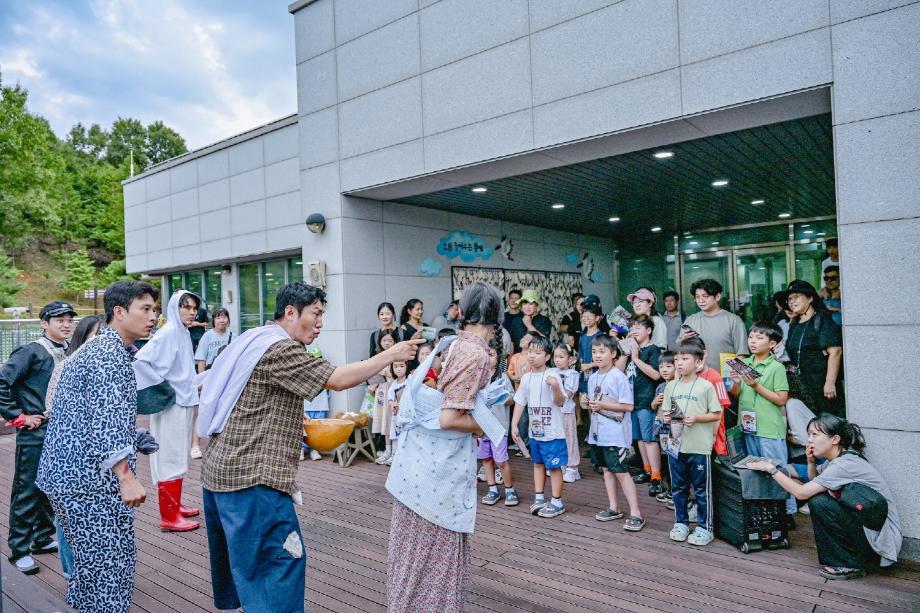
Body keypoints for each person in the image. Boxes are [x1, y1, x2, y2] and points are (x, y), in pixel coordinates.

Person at [198, 282, 420, 613]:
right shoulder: (280, 349)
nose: (320, 323)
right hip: (253, 479)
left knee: (249, 572)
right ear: (291, 312)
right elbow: (338, 379)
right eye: (315, 314)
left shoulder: (253, 339)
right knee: (279, 568)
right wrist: (390, 354)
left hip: (221, 473)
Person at [36, 281, 159, 613]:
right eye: (145, 309)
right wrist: (126, 476)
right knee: (110, 568)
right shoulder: (108, 353)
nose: (153, 316)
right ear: (119, 313)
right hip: (86, 481)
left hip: (71, 476)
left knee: (91, 569)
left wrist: (134, 441)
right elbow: (104, 419)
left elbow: (94, 415)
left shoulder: (104, 349)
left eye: (155, 309)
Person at [385, 281, 502, 612]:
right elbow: (450, 417)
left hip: (417, 468)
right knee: (435, 559)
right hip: (439, 473)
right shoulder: (475, 353)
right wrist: (486, 426)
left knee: (412, 559)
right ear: (496, 314)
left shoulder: (451, 344)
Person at [747, 415, 901, 580]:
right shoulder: (838, 458)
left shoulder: (844, 465)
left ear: (835, 439)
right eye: (809, 435)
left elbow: (802, 493)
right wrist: (811, 462)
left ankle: (849, 565)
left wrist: (771, 469)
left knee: (819, 502)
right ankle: (848, 558)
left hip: (882, 545)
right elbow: (815, 483)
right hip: (873, 532)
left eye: (814, 434)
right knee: (819, 500)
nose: (809, 440)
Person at [1, 300, 75, 575]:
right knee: (27, 491)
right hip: (35, 432)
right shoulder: (31, 351)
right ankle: (19, 550)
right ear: (44, 323)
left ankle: (42, 538)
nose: (66, 324)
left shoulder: (69, 350)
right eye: (59, 320)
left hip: (59, 431)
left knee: (50, 487)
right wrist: (18, 416)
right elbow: (1, 381)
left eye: (69, 320)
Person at [133, 290, 202, 532]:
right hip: (171, 405)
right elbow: (140, 360)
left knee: (179, 454)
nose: (192, 312)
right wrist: (161, 390)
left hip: (182, 402)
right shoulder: (169, 332)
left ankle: (176, 506)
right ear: (176, 307)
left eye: (194, 308)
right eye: (187, 307)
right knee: (170, 457)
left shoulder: (182, 331)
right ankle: (168, 516)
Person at [43, 314, 103, 581]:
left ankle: (95, 571)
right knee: (69, 518)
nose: (101, 342)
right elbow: (52, 409)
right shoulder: (66, 367)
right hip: (69, 458)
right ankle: (72, 574)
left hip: (101, 460)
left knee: (96, 519)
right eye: (96, 336)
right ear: (82, 338)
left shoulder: (109, 370)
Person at [727, 322, 795, 515]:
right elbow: (737, 394)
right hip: (748, 426)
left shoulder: (776, 367)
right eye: (751, 337)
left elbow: (782, 399)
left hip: (768, 427)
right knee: (755, 470)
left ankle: (786, 512)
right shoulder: (745, 363)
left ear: (772, 343)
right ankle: (764, 509)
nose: (752, 342)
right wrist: (736, 383)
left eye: (759, 338)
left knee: (777, 469)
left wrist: (756, 386)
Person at [663, 340, 723, 546]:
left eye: (685, 359)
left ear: (698, 363)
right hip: (675, 445)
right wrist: (667, 418)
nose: (679, 363)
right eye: (677, 359)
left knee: (701, 489)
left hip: (699, 446)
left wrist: (696, 418)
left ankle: (705, 527)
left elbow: (716, 414)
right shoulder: (671, 385)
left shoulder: (706, 386)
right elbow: (665, 412)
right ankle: (680, 522)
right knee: (678, 487)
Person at [586, 336, 645, 531]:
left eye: (602, 352)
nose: (597, 356)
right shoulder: (593, 377)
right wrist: (587, 403)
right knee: (606, 470)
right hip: (597, 432)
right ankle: (614, 507)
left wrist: (602, 404)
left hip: (616, 432)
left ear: (613, 354)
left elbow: (628, 406)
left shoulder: (618, 376)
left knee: (621, 472)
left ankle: (636, 512)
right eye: (594, 352)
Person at [511, 336, 568, 518]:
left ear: (547, 356)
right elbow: (520, 402)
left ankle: (557, 502)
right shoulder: (526, 378)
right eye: (530, 352)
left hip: (552, 432)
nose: (532, 356)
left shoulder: (553, 375)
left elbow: (560, 402)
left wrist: (555, 387)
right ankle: (539, 498)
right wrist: (514, 424)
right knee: (537, 464)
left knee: (554, 467)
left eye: (537, 352)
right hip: (535, 432)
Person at [785, 280, 844, 416]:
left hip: (821, 386)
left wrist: (830, 382)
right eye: (789, 299)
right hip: (800, 386)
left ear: (810, 298)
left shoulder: (822, 319)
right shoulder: (794, 324)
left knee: (826, 426)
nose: (792, 302)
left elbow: (835, 351)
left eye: (796, 297)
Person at [624, 315, 663, 494]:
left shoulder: (653, 350)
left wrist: (636, 358)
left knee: (649, 439)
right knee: (638, 438)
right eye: (632, 327)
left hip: (647, 401)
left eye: (638, 327)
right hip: (633, 401)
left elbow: (656, 375)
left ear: (648, 331)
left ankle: (657, 476)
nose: (634, 330)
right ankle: (647, 470)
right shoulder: (632, 350)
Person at [680, 278, 748, 373]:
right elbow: (680, 353)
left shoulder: (733, 320)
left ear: (717, 296)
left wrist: (734, 381)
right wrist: (682, 340)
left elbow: (741, 354)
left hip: (725, 380)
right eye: (697, 297)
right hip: (697, 379)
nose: (701, 300)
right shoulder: (690, 321)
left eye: (705, 296)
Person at [479, 344, 518, 507]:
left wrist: (501, 397)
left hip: (498, 427)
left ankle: (509, 490)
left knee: (501, 461)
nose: (488, 357)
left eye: (492, 354)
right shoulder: (478, 377)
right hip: (480, 427)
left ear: (499, 358)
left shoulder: (502, 377)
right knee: (486, 459)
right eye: (486, 354)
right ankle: (492, 489)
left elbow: (511, 400)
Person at [552, 343, 582, 483]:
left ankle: (573, 467)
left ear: (570, 360)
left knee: (569, 439)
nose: (557, 359)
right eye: (555, 356)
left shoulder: (573, 374)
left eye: (561, 357)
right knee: (558, 438)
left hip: (567, 411)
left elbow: (569, 393)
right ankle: (562, 463)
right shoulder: (552, 371)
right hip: (555, 412)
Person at [370, 329, 400, 461]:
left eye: (390, 340)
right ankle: (387, 451)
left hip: (392, 390)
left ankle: (394, 452)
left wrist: (387, 374)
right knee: (384, 421)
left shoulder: (397, 357)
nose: (387, 343)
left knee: (391, 421)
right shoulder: (378, 356)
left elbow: (400, 376)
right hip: (381, 390)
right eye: (384, 340)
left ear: (395, 342)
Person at [651, 351, 676, 504]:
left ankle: (675, 492)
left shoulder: (678, 385)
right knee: (665, 460)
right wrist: (655, 401)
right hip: (661, 429)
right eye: (661, 367)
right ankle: (669, 489)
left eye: (669, 366)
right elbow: (653, 407)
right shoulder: (660, 386)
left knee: (674, 461)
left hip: (674, 430)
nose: (664, 370)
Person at [194, 307, 232, 373]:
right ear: (213, 320)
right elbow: (201, 360)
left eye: (224, 317)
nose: (222, 320)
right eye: (218, 318)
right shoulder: (207, 336)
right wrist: (201, 379)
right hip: (211, 374)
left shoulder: (233, 337)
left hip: (228, 374)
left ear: (228, 320)